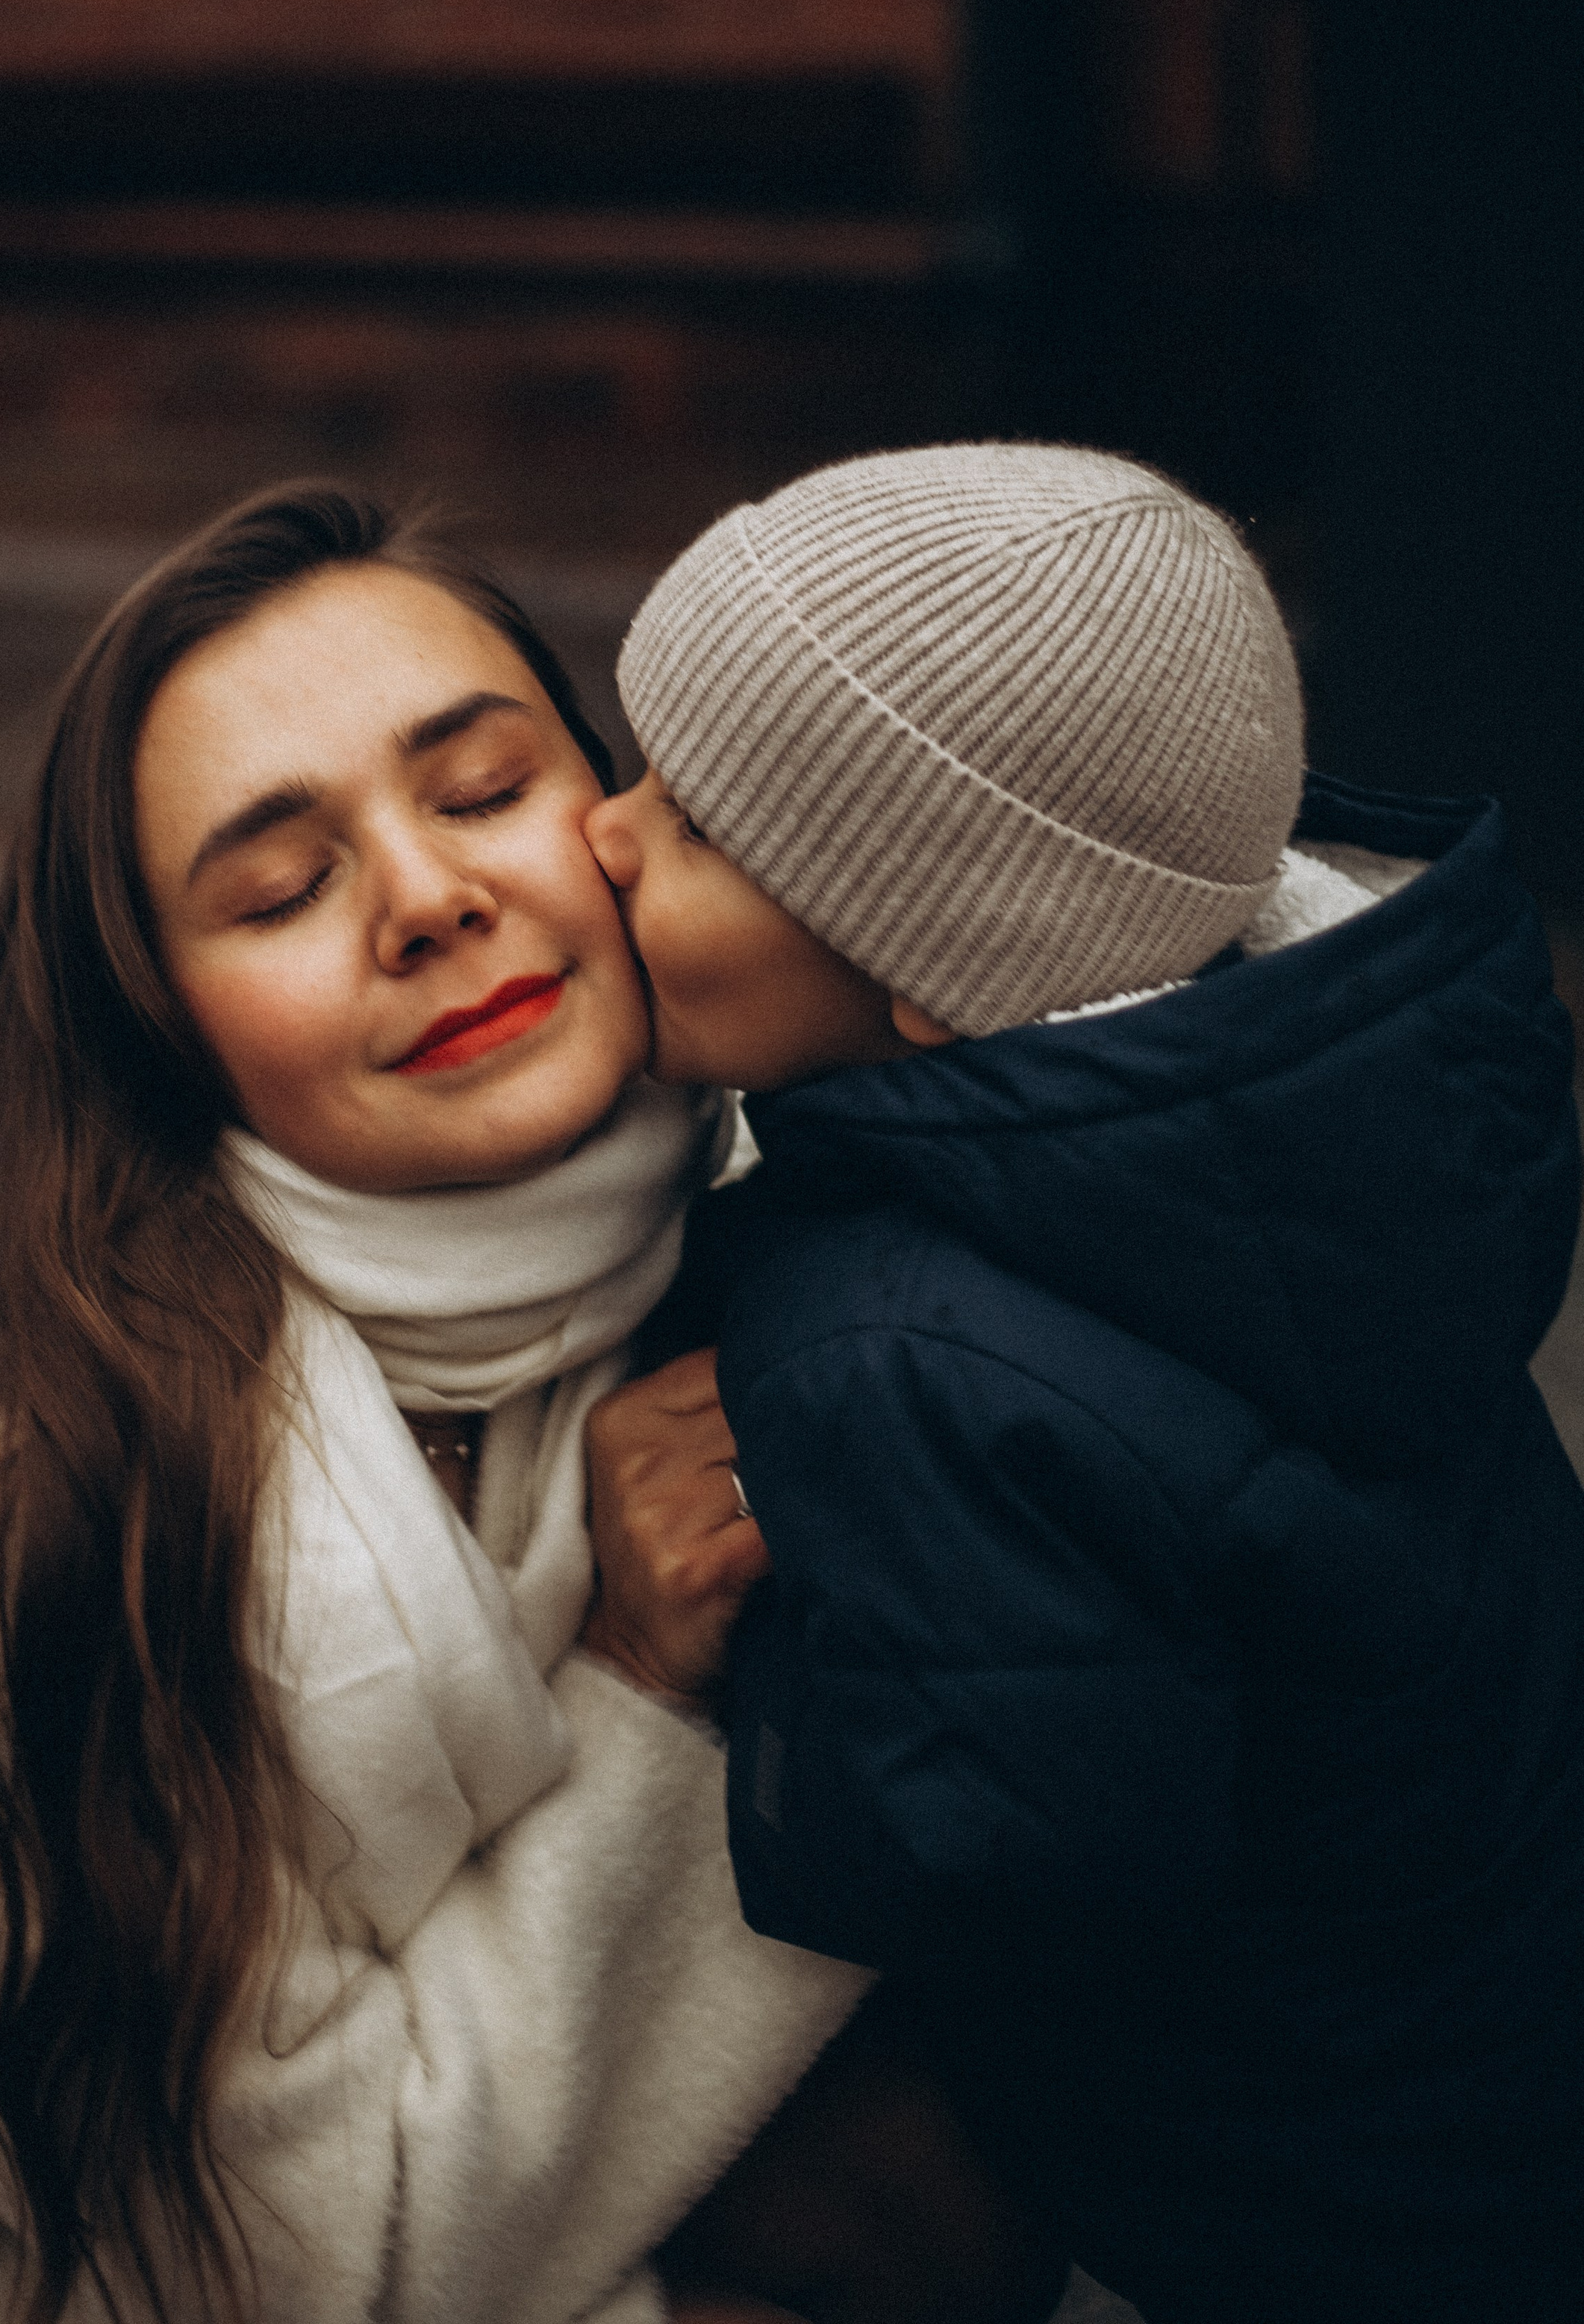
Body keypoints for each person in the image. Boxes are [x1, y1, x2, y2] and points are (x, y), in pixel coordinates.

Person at [0, 482, 893, 2324]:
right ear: (165, 1029)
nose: (427, 898)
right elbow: (292, 2261)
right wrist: (646, 1696)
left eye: (483, 790)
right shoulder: (25, 1507)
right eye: (279, 888)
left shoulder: (767, 1193)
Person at [583, 442, 1584, 2324]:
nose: (600, 833)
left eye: (701, 831)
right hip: (1484, 2044)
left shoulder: (903, 1355)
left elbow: (985, 1865)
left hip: (1300, 2196)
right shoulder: (1294, 1137)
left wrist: (714, 1670)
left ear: (941, 979)